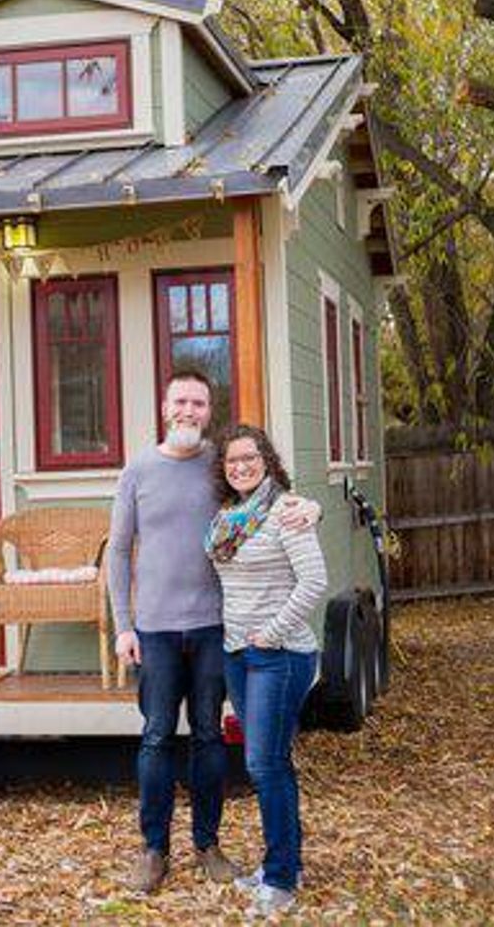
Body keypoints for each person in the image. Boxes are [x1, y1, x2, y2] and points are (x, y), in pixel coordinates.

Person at [107, 372, 321, 895]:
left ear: (209, 410)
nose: (188, 410)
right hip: (154, 630)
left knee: (208, 736)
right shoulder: (137, 471)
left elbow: (271, 497)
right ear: (164, 406)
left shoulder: (220, 466)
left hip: (214, 629)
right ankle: (154, 849)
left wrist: (307, 507)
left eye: (198, 403)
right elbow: (117, 551)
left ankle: (208, 845)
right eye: (179, 400)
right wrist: (123, 625)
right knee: (157, 736)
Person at [205, 424, 328, 918]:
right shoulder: (227, 518)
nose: (240, 466)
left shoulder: (286, 511)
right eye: (231, 460)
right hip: (238, 652)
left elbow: (315, 581)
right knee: (273, 761)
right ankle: (287, 863)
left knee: (262, 764)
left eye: (249, 458)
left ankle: (279, 880)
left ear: (267, 460)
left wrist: (272, 632)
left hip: (280, 653)